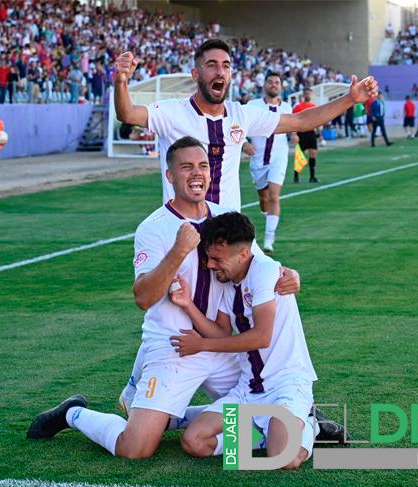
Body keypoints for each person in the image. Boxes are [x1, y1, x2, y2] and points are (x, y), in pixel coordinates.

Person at [25, 137, 325, 459]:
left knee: (263, 388)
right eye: (186, 167)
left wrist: (291, 274)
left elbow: (253, 264)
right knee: (136, 448)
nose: (197, 174)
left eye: (203, 166)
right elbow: (143, 297)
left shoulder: (224, 216)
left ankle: (183, 417)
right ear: (170, 176)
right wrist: (179, 250)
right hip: (175, 346)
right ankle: (73, 413)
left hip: (218, 343)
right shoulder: (153, 229)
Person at [113, 38, 378, 210]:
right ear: (196, 74)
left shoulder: (242, 114)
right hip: (182, 234)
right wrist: (121, 81)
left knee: (279, 288)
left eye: (226, 66)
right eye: (212, 65)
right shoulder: (173, 113)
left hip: (231, 235)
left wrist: (350, 99)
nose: (220, 71)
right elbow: (128, 114)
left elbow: (300, 120)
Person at [169, 211, 318, 470]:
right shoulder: (229, 282)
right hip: (248, 391)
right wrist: (188, 305)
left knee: (283, 458)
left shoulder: (266, 271)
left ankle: (311, 424)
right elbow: (222, 333)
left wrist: (201, 345)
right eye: (209, 257)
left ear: (243, 255)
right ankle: (260, 435)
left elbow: (261, 337)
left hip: (287, 385)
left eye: (217, 259)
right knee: (193, 442)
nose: (210, 265)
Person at [243, 72, 292, 255]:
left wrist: (294, 134)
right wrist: (244, 143)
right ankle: (268, 216)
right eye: (270, 82)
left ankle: (269, 239)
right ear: (264, 85)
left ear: (281, 87)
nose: (273, 85)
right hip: (258, 159)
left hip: (279, 157)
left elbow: (294, 126)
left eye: (277, 82)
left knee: (274, 196)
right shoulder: (252, 106)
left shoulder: (287, 107)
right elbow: (237, 127)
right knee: (264, 199)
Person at [291, 88, 319, 183]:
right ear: (303, 95)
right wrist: (294, 134)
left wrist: (319, 133)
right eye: (306, 93)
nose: (307, 95)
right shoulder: (298, 107)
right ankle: (296, 176)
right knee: (299, 155)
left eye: (309, 93)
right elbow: (293, 121)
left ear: (311, 94)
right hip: (301, 133)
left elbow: (318, 120)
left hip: (311, 132)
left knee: (313, 154)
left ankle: (312, 177)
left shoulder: (314, 106)